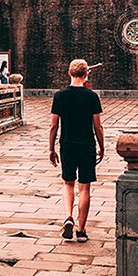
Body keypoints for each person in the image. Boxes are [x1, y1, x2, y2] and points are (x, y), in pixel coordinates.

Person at [48, 58, 105, 242]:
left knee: (68, 183)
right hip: (87, 146)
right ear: (86, 74)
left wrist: (51, 148)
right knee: (85, 188)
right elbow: (98, 127)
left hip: (67, 145)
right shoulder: (91, 96)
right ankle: (81, 230)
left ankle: (68, 217)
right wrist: (102, 147)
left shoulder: (60, 96)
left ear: (69, 73)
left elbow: (53, 126)